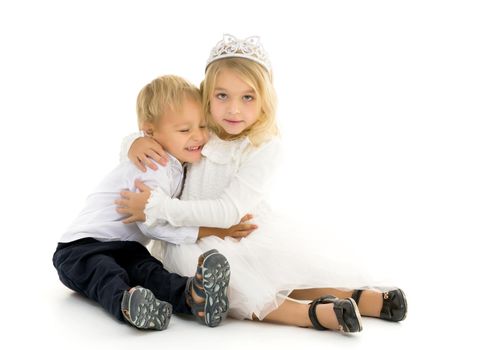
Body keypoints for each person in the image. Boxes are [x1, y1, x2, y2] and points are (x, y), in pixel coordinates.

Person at [117, 35, 407, 335]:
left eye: (247, 97)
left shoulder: (263, 145)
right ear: (206, 95)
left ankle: (360, 297)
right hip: (193, 241)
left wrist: (157, 206)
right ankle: (314, 314)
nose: (233, 110)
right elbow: (161, 131)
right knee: (237, 286)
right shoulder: (201, 128)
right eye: (221, 96)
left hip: (243, 230)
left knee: (282, 271)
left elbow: (228, 211)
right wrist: (133, 141)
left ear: (264, 100)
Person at [52, 75, 246, 331]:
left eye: (202, 125)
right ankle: (128, 304)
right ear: (151, 133)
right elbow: (154, 227)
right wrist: (217, 231)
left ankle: (195, 296)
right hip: (82, 247)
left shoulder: (177, 163)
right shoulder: (154, 166)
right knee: (105, 273)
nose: (198, 136)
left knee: (150, 271)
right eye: (185, 130)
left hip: (128, 247)